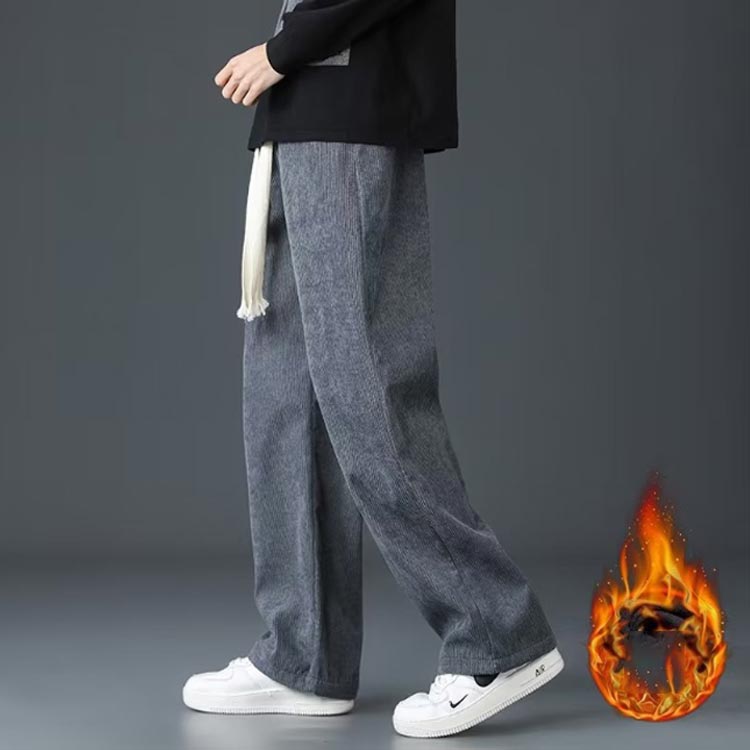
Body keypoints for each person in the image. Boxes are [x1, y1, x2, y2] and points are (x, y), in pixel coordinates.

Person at [182, 0, 563, 738]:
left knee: (367, 388)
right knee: (286, 398)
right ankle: (304, 656)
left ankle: (496, 635)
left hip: (346, 110)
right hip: (303, 111)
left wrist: (284, 50)